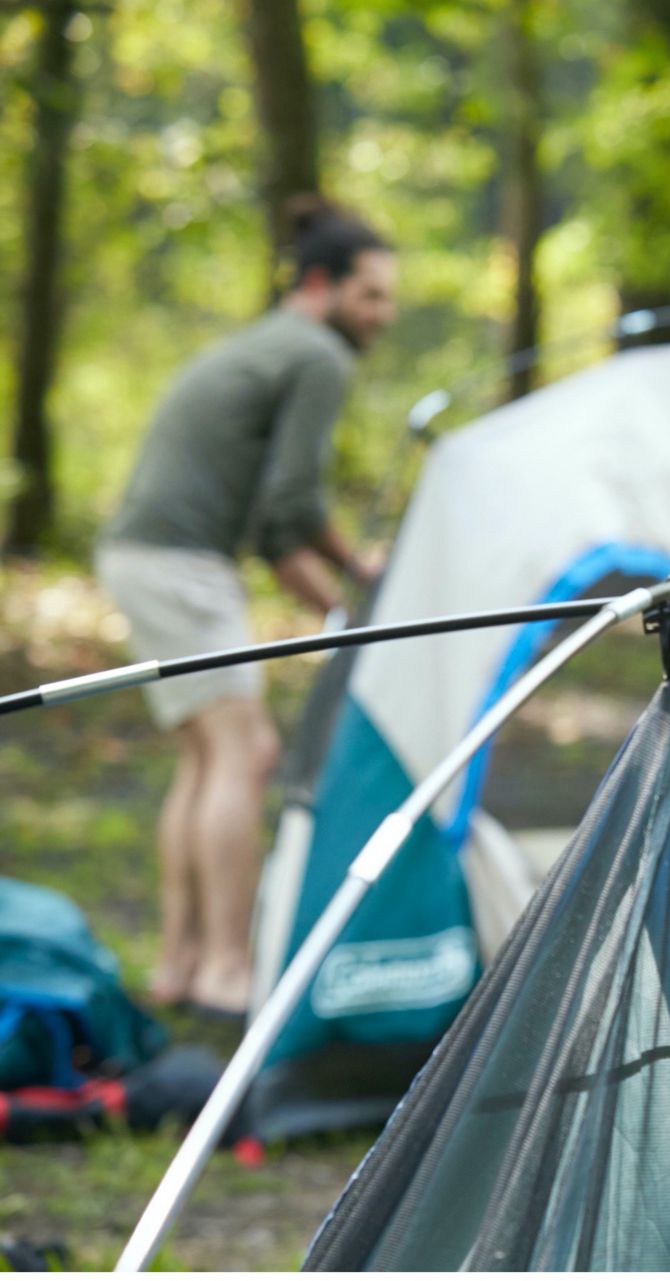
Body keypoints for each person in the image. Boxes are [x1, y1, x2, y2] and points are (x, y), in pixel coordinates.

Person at [95, 196, 396, 1020]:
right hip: (181, 562)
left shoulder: (267, 342)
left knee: (205, 755)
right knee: (247, 749)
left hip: (138, 552)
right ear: (320, 284)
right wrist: (346, 591)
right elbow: (287, 508)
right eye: (370, 295)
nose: (383, 314)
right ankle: (227, 970)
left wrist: (341, 572)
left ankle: (179, 962)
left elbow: (278, 517)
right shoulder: (316, 356)